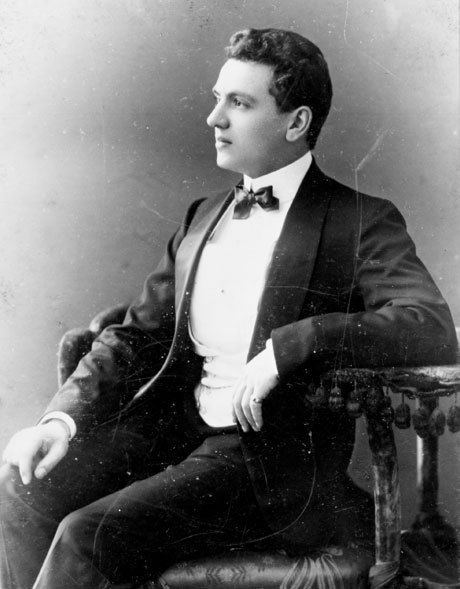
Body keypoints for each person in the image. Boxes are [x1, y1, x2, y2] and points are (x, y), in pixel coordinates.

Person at [0, 28, 457, 589]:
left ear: (296, 123)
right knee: (24, 485)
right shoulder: (203, 215)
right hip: (174, 437)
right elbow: (135, 334)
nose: (214, 118)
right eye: (218, 98)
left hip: (264, 469)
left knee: (85, 536)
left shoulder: (359, 218)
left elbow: (429, 325)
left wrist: (288, 348)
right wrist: (60, 420)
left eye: (239, 103)